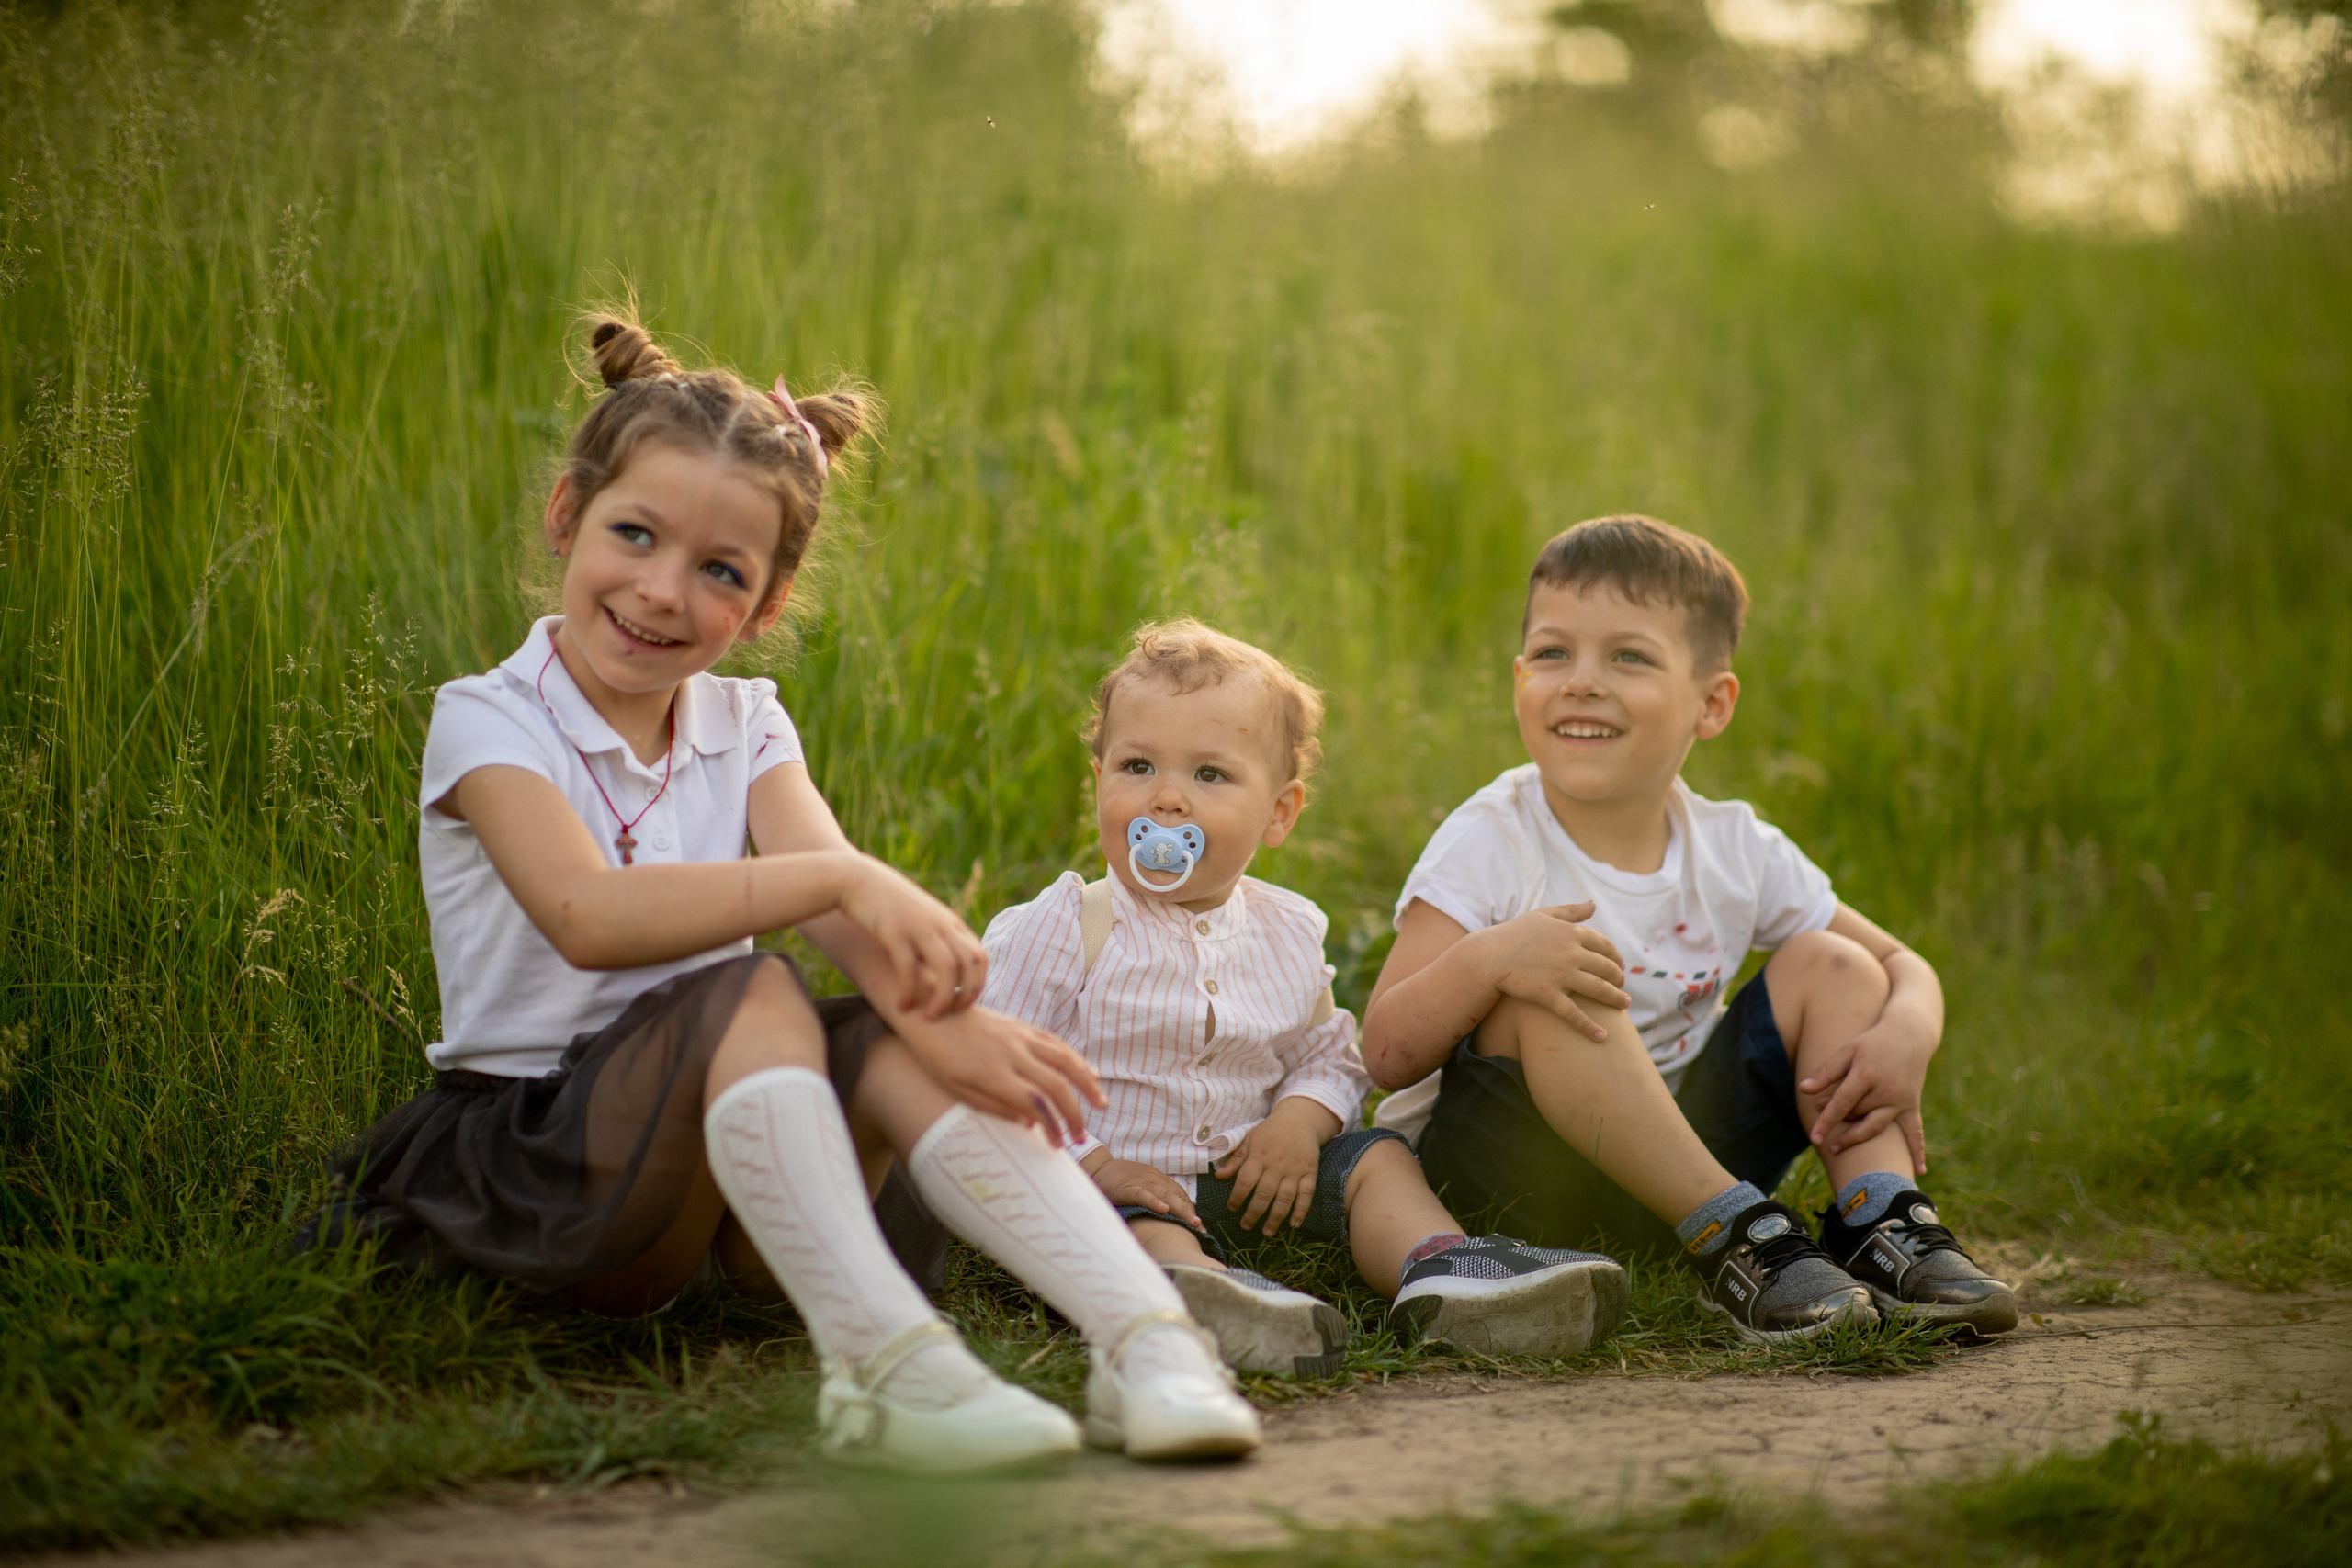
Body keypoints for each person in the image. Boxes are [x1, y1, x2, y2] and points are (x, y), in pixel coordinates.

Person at [311, 315, 1261, 1471]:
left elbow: (841, 923)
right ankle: (887, 1372)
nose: (663, 592)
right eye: (634, 534)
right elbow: (586, 916)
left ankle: (1148, 1345)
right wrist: (843, 875)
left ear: (764, 605)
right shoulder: (489, 716)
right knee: (755, 988)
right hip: (545, 1170)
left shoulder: (746, 721)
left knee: (888, 1036)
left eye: (719, 571)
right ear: (567, 515)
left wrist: (944, 1027)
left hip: (716, 1194)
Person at [1363, 516, 2018, 1341]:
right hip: (1515, 1176)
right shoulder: (1492, 834)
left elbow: (1898, 961)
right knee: (1560, 974)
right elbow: (1384, 1050)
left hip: (1681, 1164)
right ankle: (1734, 1236)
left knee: (1837, 965)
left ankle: (1882, 1225)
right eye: (1554, 653)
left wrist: (1909, 1030)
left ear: (1712, 704)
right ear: (1519, 676)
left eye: (1627, 656)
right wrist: (1494, 958)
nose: (1582, 682)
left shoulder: (1735, 845)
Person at [980, 621, 1628, 1378]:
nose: (1166, 798)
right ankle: (1196, 1293)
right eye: (1136, 765)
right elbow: (989, 1063)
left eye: (1210, 776)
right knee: (1138, 1224)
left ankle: (1444, 1270)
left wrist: (1297, 1121)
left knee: (1376, 1159)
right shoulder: (1068, 923)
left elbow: (1329, 1057)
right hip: (1116, 1180)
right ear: (1099, 781)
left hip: (1254, 1185)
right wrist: (1090, 1163)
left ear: (1279, 813)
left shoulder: (1285, 930)